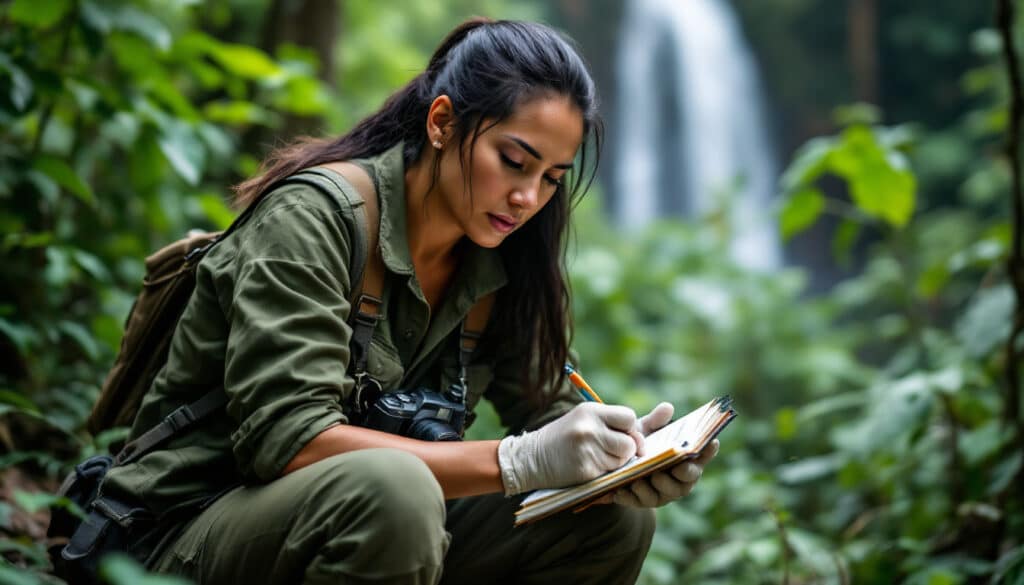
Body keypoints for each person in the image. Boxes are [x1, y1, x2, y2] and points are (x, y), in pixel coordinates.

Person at [102, 17, 719, 585]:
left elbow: (548, 408)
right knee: (397, 492)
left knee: (610, 522)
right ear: (443, 123)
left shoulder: (502, 261)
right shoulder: (313, 218)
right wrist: (519, 460)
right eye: (513, 161)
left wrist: (622, 461)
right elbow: (289, 439)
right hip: (184, 531)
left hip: (369, 523)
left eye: (552, 178)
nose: (529, 197)